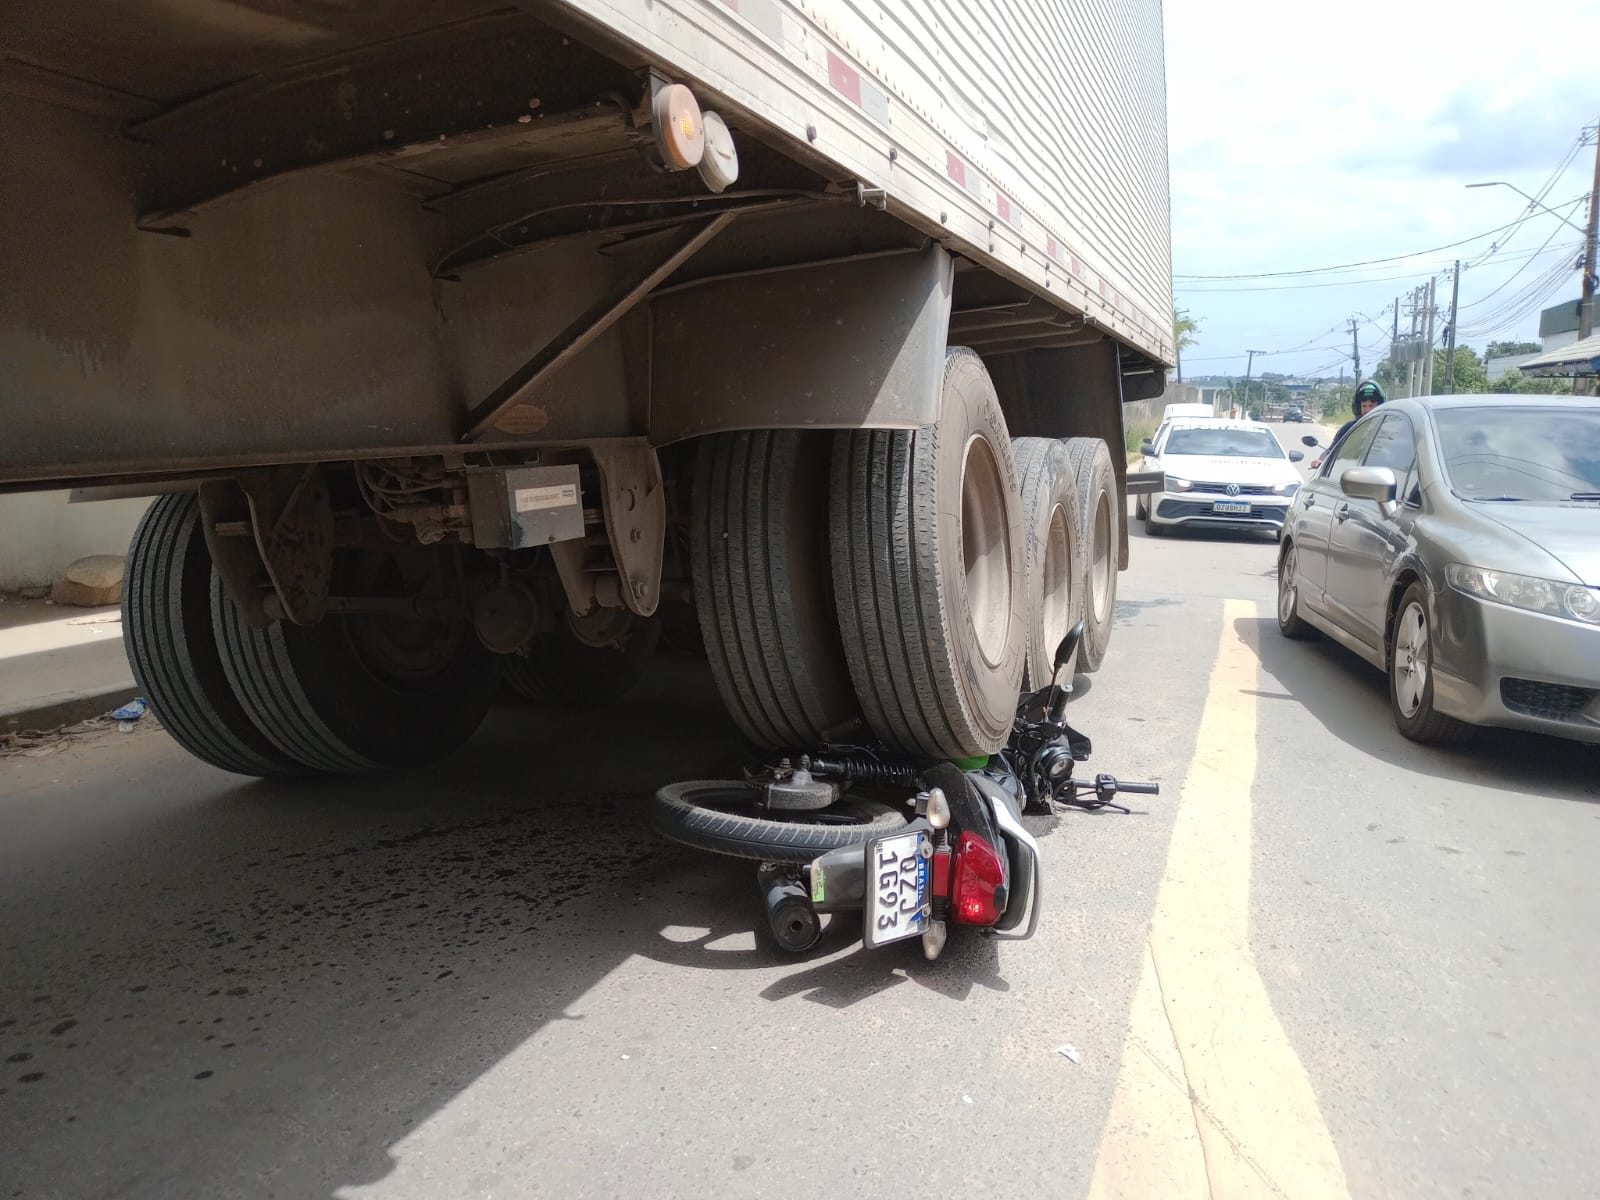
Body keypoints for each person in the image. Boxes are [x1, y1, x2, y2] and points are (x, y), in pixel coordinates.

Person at [1311, 380, 1386, 469]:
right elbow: (1331, 451)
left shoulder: (1389, 431)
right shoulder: (1350, 429)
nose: (1367, 410)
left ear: (1380, 406)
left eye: (1371, 405)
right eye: (1364, 406)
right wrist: (1321, 461)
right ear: (1358, 407)